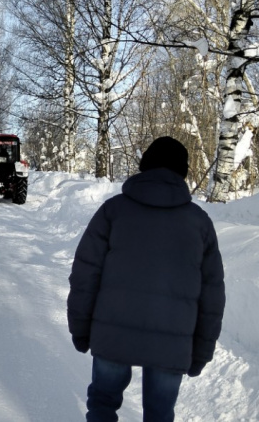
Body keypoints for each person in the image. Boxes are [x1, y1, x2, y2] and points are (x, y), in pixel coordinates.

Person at [67, 136, 226, 422]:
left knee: (102, 405)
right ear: (182, 171)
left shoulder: (113, 211)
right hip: (171, 344)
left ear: (145, 165)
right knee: (160, 414)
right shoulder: (199, 222)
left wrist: (80, 328)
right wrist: (201, 351)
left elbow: (85, 275)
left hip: (113, 334)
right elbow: (212, 295)